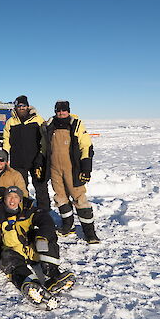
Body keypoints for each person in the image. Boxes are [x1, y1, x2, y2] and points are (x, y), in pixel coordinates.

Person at [0, 186, 75, 309]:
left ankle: (53, 276)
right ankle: (31, 285)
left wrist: (42, 237)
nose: (12, 201)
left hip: (28, 248)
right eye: (9, 197)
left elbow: (46, 221)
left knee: (48, 238)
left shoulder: (28, 211)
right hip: (11, 251)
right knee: (8, 258)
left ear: (20, 200)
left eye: (15, 197)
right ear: (4, 199)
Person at [43, 100, 99, 243]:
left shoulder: (76, 124)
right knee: (60, 197)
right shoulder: (49, 125)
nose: (61, 113)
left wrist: (86, 168)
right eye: (58, 111)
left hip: (72, 168)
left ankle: (89, 232)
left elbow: (86, 146)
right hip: (55, 168)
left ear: (68, 111)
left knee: (79, 197)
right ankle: (67, 225)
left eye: (64, 110)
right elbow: (44, 147)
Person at [2, 95, 50, 210]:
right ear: (16, 107)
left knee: (40, 186)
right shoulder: (11, 122)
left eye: (23, 105)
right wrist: (5, 155)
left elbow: (44, 139)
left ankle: (44, 210)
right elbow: (6, 140)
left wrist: (42, 156)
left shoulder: (37, 119)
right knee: (20, 187)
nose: (21, 108)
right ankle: (23, 210)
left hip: (36, 160)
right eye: (19, 106)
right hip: (18, 161)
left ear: (28, 106)